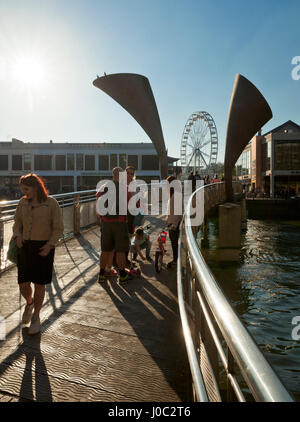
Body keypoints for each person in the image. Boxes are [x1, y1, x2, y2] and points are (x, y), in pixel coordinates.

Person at [12, 173, 64, 335]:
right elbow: (16, 223)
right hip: (25, 247)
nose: (24, 192)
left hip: (43, 248)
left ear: (35, 187)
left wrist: (50, 245)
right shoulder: (22, 203)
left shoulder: (51, 203)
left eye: (26, 189)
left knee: (40, 284)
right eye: (22, 189)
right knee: (23, 284)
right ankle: (29, 303)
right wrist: (18, 235)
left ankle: (36, 317)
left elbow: (58, 228)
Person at [97, 167, 131, 284]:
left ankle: (101, 275)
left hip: (106, 222)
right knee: (120, 250)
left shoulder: (104, 186)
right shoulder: (124, 188)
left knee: (105, 250)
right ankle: (122, 276)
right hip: (120, 222)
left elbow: (98, 199)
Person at [165, 175, 183, 269]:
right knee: (173, 243)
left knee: (175, 243)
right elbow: (171, 210)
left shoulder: (176, 196)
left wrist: (175, 224)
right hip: (171, 223)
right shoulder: (172, 195)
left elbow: (179, 212)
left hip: (174, 225)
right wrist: (167, 220)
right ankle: (175, 259)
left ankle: (176, 261)